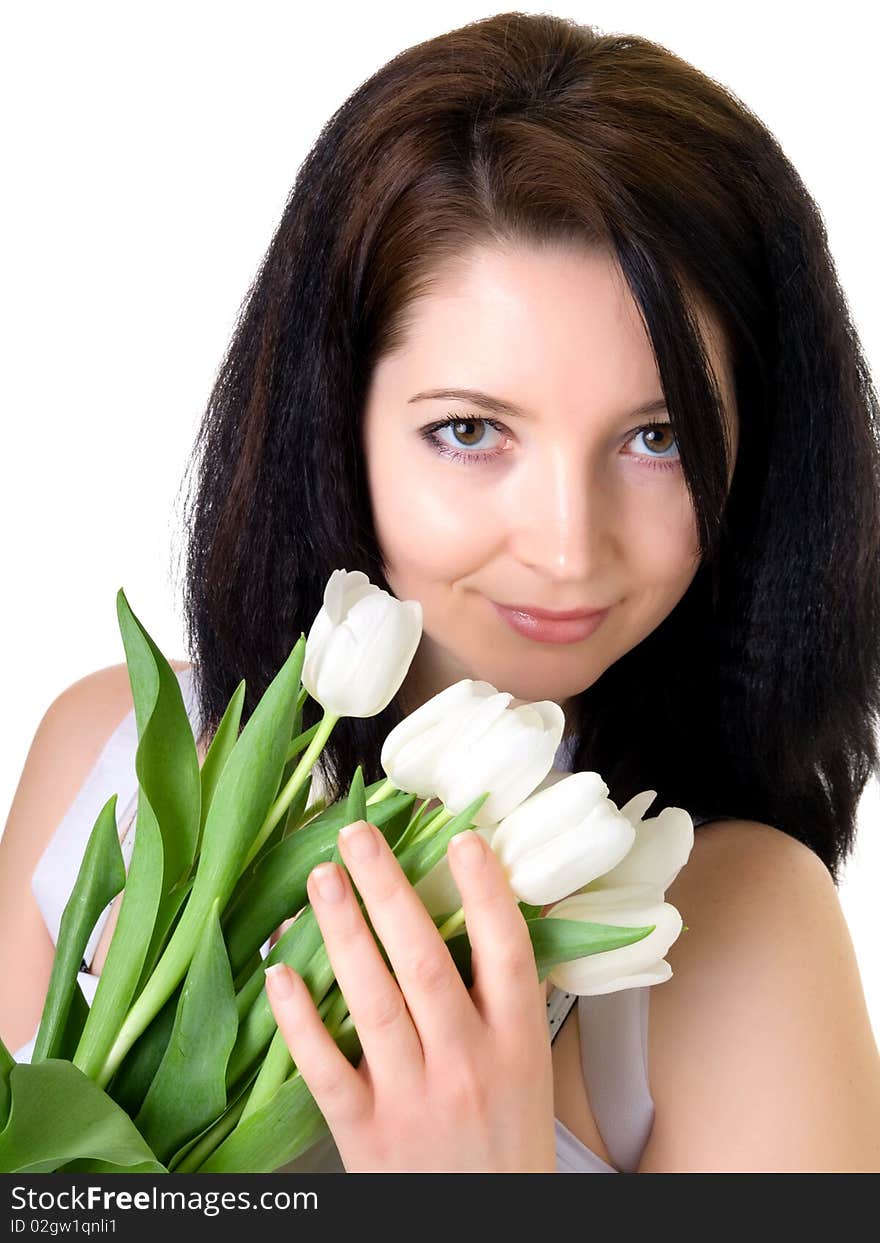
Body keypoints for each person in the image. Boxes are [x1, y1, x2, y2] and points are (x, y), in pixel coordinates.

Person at [2, 10, 879, 1172]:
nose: (569, 549)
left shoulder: (731, 931)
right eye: (470, 430)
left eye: (659, 437)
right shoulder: (110, 750)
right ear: (336, 422)